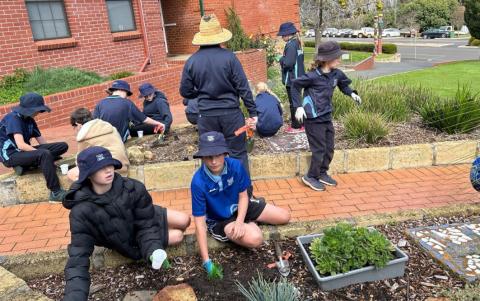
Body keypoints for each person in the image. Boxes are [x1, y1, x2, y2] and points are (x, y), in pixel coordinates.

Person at [62, 146, 190, 300]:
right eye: (100, 168)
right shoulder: (81, 211)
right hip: (124, 237)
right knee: (177, 236)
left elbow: (145, 224)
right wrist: (74, 297)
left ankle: (159, 233)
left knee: (185, 220)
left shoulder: (133, 188)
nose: (108, 170)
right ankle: (159, 236)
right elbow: (78, 258)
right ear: (88, 174)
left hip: (142, 216)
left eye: (109, 164)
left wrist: (153, 247)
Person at [180, 14, 262, 202]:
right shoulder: (229, 58)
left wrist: (200, 94)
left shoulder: (192, 61)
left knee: (210, 156)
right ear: (219, 37)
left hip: (206, 117)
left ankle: (216, 197)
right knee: (238, 155)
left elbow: (185, 91)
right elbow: (243, 88)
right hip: (231, 115)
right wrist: (253, 113)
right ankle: (246, 197)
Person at [190, 132, 290, 277]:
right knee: (255, 238)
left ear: (225, 153)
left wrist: (240, 221)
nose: (213, 161)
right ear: (202, 157)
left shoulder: (235, 166)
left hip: (240, 206)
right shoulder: (198, 182)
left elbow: (243, 196)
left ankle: (249, 220)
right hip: (221, 219)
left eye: (217, 155)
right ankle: (251, 224)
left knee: (285, 216)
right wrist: (206, 261)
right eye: (208, 156)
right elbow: (199, 223)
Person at [291, 41, 361, 191]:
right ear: (326, 59)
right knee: (319, 149)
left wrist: (352, 93)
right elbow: (295, 85)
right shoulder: (312, 76)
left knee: (329, 148)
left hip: (326, 116)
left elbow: (343, 85)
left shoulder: (337, 74)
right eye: (337, 57)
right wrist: (298, 107)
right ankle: (311, 176)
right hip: (313, 119)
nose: (339, 60)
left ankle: (322, 172)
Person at [0, 93, 68, 202]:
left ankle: (25, 165)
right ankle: (55, 192)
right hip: (11, 155)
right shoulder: (13, 119)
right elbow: (21, 144)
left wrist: (48, 151)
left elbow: (41, 140)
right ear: (29, 109)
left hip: (23, 152)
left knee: (62, 146)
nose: (39, 112)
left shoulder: (29, 119)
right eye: (37, 109)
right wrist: (45, 153)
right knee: (44, 154)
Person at [67, 108, 129, 181]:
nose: (75, 130)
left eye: (74, 127)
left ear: (78, 124)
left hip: (108, 171)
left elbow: (80, 161)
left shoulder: (84, 136)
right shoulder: (108, 126)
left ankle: (91, 191)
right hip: (123, 166)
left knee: (71, 173)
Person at [93, 80, 164, 142]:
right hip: (119, 140)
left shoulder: (100, 103)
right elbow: (144, 119)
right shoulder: (127, 102)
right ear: (121, 90)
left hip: (102, 140)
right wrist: (158, 123)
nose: (127, 96)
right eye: (127, 93)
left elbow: (94, 122)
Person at [277, 22, 305, 134]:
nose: (282, 37)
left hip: (293, 79)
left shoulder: (291, 45)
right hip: (299, 77)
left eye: (283, 35)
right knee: (297, 102)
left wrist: (280, 59)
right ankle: (301, 124)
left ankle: (297, 127)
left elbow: (288, 63)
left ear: (288, 34)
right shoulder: (297, 43)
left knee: (295, 103)